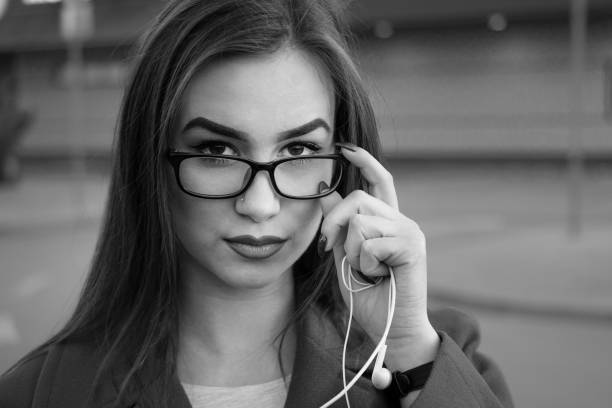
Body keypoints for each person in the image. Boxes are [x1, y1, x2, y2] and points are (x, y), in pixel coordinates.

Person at [0, 0, 513, 407]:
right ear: (151, 161)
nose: (261, 204)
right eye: (217, 150)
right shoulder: (39, 393)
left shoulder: (435, 360)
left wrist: (406, 350)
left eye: (299, 150)